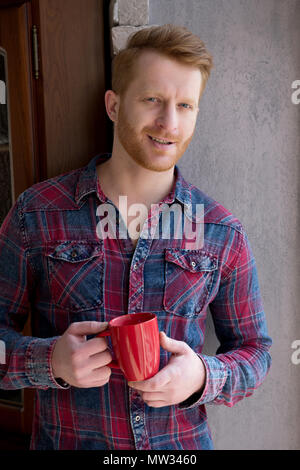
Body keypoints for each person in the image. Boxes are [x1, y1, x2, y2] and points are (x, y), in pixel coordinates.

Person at [0, 24, 272, 450]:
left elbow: (257, 354)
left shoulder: (221, 232)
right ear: (113, 104)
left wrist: (203, 376)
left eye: (186, 105)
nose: (169, 122)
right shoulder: (36, 214)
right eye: (152, 100)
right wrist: (48, 360)